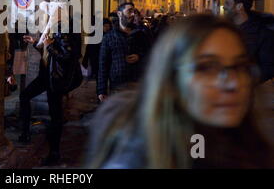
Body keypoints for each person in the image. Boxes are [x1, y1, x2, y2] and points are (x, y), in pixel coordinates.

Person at [85, 14, 274, 169]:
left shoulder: (246, 144)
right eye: (207, 68)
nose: (233, 83)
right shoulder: (136, 157)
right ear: (171, 77)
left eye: (240, 66)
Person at [19, 0, 81, 166]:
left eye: (53, 10)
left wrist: (49, 46)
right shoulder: (54, 27)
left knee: (56, 116)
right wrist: (36, 44)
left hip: (56, 78)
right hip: (47, 75)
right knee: (25, 96)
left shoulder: (64, 29)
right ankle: (25, 133)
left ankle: (54, 152)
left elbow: (67, 56)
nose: (49, 13)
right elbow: (48, 52)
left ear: (60, 12)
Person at [97, 2, 145, 102]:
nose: (132, 14)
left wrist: (139, 56)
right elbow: (103, 64)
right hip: (117, 87)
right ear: (119, 14)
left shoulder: (140, 34)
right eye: (129, 11)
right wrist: (101, 89)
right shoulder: (109, 37)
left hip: (138, 86)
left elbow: (152, 55)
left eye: (134, 11)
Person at [224, 0, 274, 83]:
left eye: (227, 3)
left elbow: (268, 68)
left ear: (239, 6)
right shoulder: (224, 30)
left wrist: (244, 81)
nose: (224, 7)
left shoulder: (262, 33)